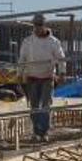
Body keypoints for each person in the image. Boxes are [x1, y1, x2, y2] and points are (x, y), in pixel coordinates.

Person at [18, 12, 66, 141]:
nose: (37, 27)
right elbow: (22, 59)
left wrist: (62, 73)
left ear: (44, 25)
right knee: (34, 106)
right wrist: (19, 75)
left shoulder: (53, 42)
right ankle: (36, 131)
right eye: (36, 25)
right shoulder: (28, 41)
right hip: (32, 77)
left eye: (40, 25)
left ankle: (44, 132)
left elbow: (61, 58)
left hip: (47, 77)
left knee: (45, 105)